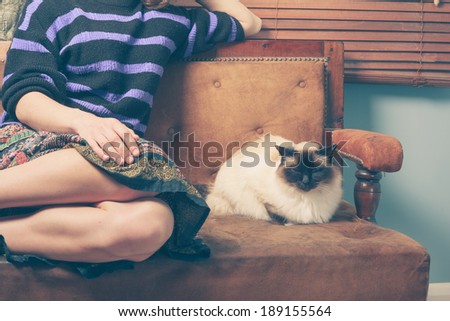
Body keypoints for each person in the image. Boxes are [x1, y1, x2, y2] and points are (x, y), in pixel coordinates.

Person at [0, 0, 261, 277]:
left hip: (115, 159)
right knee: (146, 164)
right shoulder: (50, 6)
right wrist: (83, 123)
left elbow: (248, 22)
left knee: (151, 226)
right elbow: (24, 96)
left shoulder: (172, 20)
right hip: (40, 146)